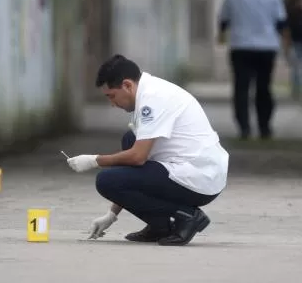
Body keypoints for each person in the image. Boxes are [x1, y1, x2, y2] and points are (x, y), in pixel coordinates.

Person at [64, 54, 229, 246]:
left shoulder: (152, 99)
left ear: (127, 85)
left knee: (106, 180)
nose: (112, 103)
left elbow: (138, 158)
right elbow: (133, 167)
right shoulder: (147, 91)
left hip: (200, 178)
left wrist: (94, 160)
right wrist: (111, 215)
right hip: (193, 170)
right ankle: (160, 226)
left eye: (112, 96)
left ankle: (188, 216)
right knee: (130, 139)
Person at [216, 0, 289, 139]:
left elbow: (224, 20)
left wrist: (222, 38)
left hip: (241, 46)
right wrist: (286, 45)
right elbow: (281, 22)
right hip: (266, 47)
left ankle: (244, 127)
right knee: (264, 88)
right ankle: (264, 127)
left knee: (241, 88)